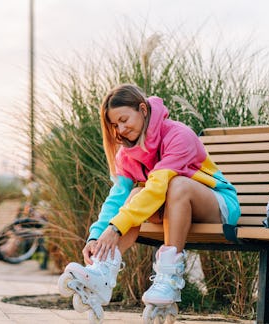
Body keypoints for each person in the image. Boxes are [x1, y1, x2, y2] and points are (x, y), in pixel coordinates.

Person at [58, 84, 241, 318]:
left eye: (124, 119)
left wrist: (116, 228)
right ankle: (103, 270)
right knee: (134, 195)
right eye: (115, 125)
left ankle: (168, 277)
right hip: (173, 210)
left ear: (142, 109)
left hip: (215, 204)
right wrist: (97, 236)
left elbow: (156, 189)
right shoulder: (126, 154)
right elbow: (117, 198)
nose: (121, 129)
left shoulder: (178, 135)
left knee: (177, 184)